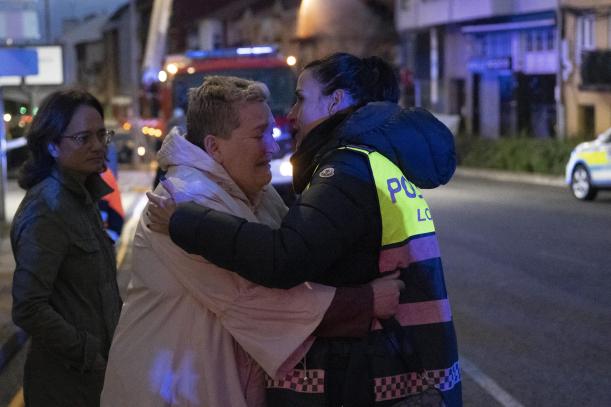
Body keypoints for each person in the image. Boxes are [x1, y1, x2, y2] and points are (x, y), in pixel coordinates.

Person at [148, 53, 462, 406]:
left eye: (300, 97)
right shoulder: (372, 161)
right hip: (400, 364)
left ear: (336, 100)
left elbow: (284, 258)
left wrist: (183, 220)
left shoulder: (344, 170)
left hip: (378, 371)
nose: (293, 113)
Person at [102, 76, 403, 406]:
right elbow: (251, 298)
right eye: (260, 135)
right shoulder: (183, 200)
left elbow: (288, 254)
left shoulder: (253, 190)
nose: (272, 147)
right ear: (214, 146)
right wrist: (363, 302)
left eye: (271, 132)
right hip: (170, 389)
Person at [11, 89, 122, 406]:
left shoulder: (81, 197)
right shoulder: (48, 209)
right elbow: (28, 307)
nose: (98, 146)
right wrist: (89, 352)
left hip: (96, 379)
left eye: (102, 135)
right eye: (84, 138)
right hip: (65, 386)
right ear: (52, 145)